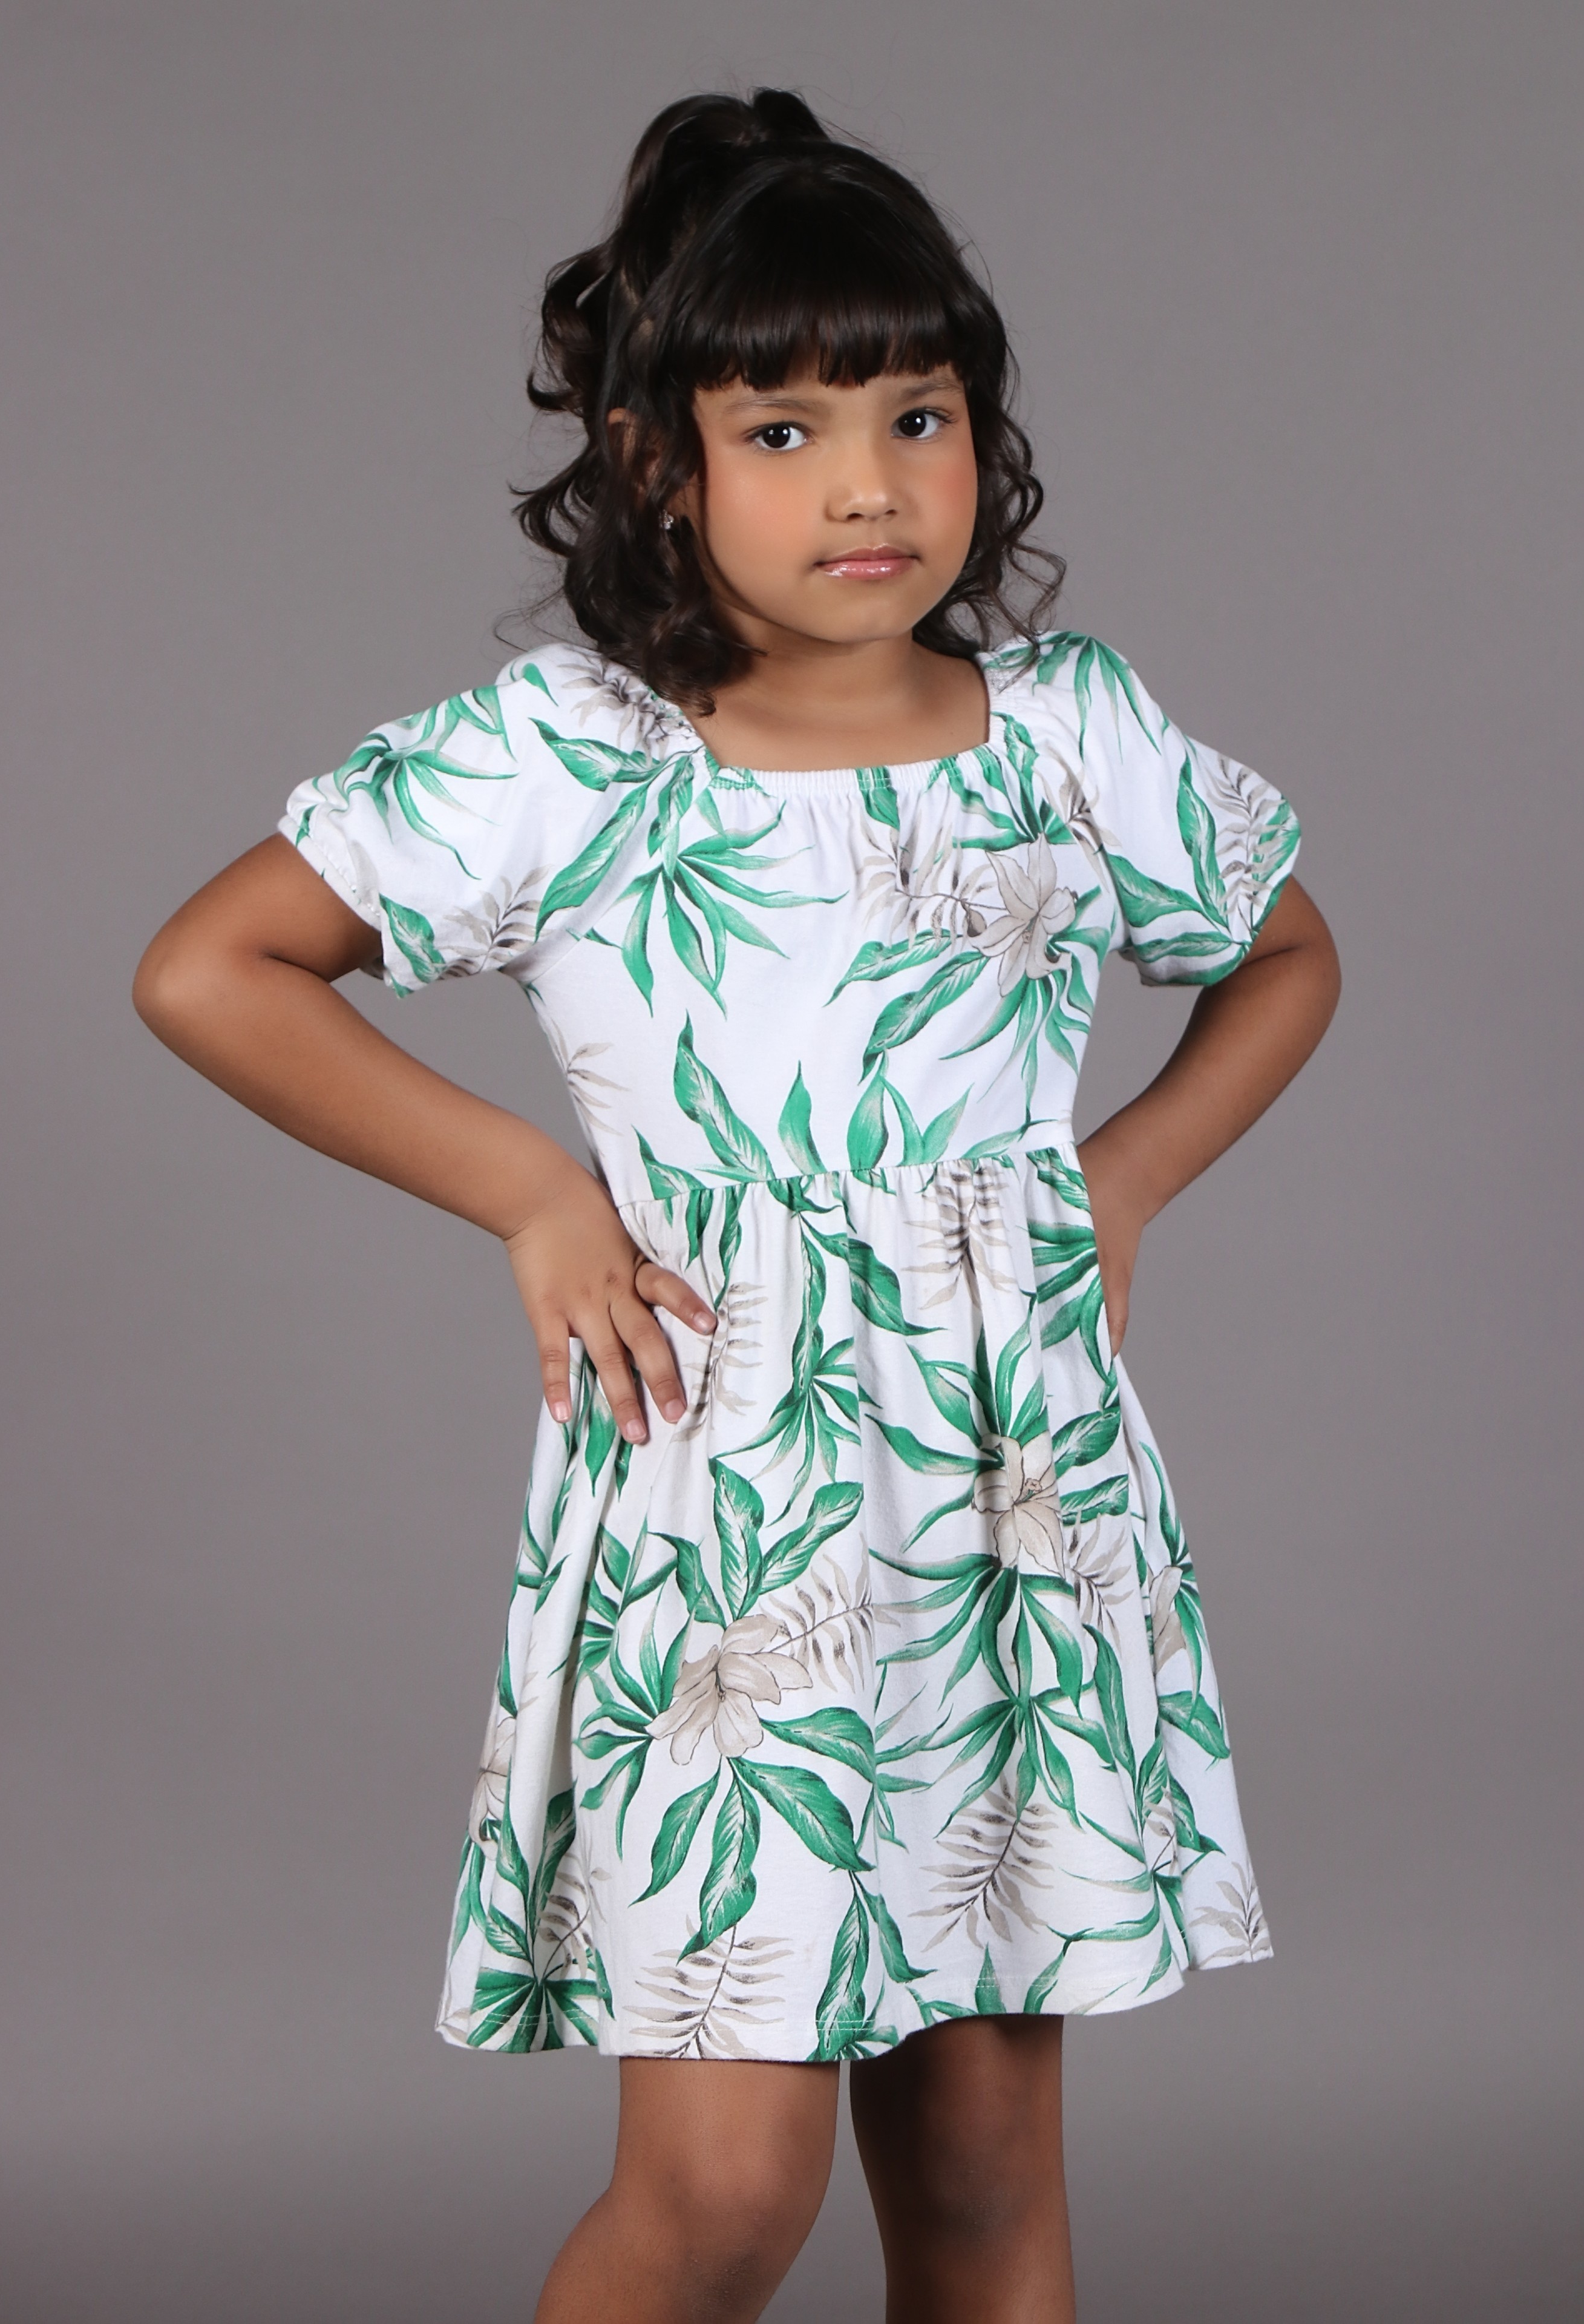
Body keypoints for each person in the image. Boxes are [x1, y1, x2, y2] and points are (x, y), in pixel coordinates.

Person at [135, 86, 1340, 2324]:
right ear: (654, 465)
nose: (868, 485)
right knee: (721, 2196)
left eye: (915, 415)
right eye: (781, 431)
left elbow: (1282, 952)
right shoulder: (577, 753)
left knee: (979, 2176)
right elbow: (211, 968)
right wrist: (529, 1194)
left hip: (1004, 1505)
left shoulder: (1066, 735)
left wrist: (1120, 1181)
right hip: (734, 1515)